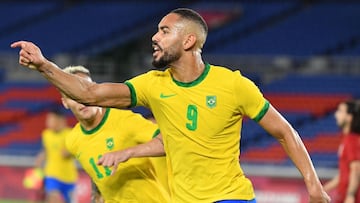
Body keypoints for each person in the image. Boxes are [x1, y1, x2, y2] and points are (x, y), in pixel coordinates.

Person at [11, 8, 330, 203]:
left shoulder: (233, 85)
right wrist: (43, 65)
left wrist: (313, 185)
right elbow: (91, 94)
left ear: (189, 41)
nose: (155, 37)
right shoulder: (153, 85)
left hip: (230, 198)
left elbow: (285, 131)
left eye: (164, 31)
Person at [60, 65, 169, 202]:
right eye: (73, 96)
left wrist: (127, 152)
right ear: (65, 102)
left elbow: (168, 142)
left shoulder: (124, 120)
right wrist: (97, 192)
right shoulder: (73, 140)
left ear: (93, 90)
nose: (82, 100)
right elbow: (95, 171)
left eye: (84, 91)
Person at [34, 108, 78, 203]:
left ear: (60, 120)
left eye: (51, 119)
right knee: (53, 198)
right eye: (48, 120)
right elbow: (47, 150)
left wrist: (69, 153)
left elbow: (75, 153)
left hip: (69, 177)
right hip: (52, 174)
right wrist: (40, 159)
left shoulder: (70, 134)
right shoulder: (46, 134)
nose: (48, 122)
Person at [324, 100, 360, 203]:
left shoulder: (352, 140)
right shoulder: (347, 139)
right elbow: (344, 174)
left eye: (340, 111)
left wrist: (350, 195)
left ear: (349, 117)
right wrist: (323, 190)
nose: (336, 115)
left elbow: (356, 169)